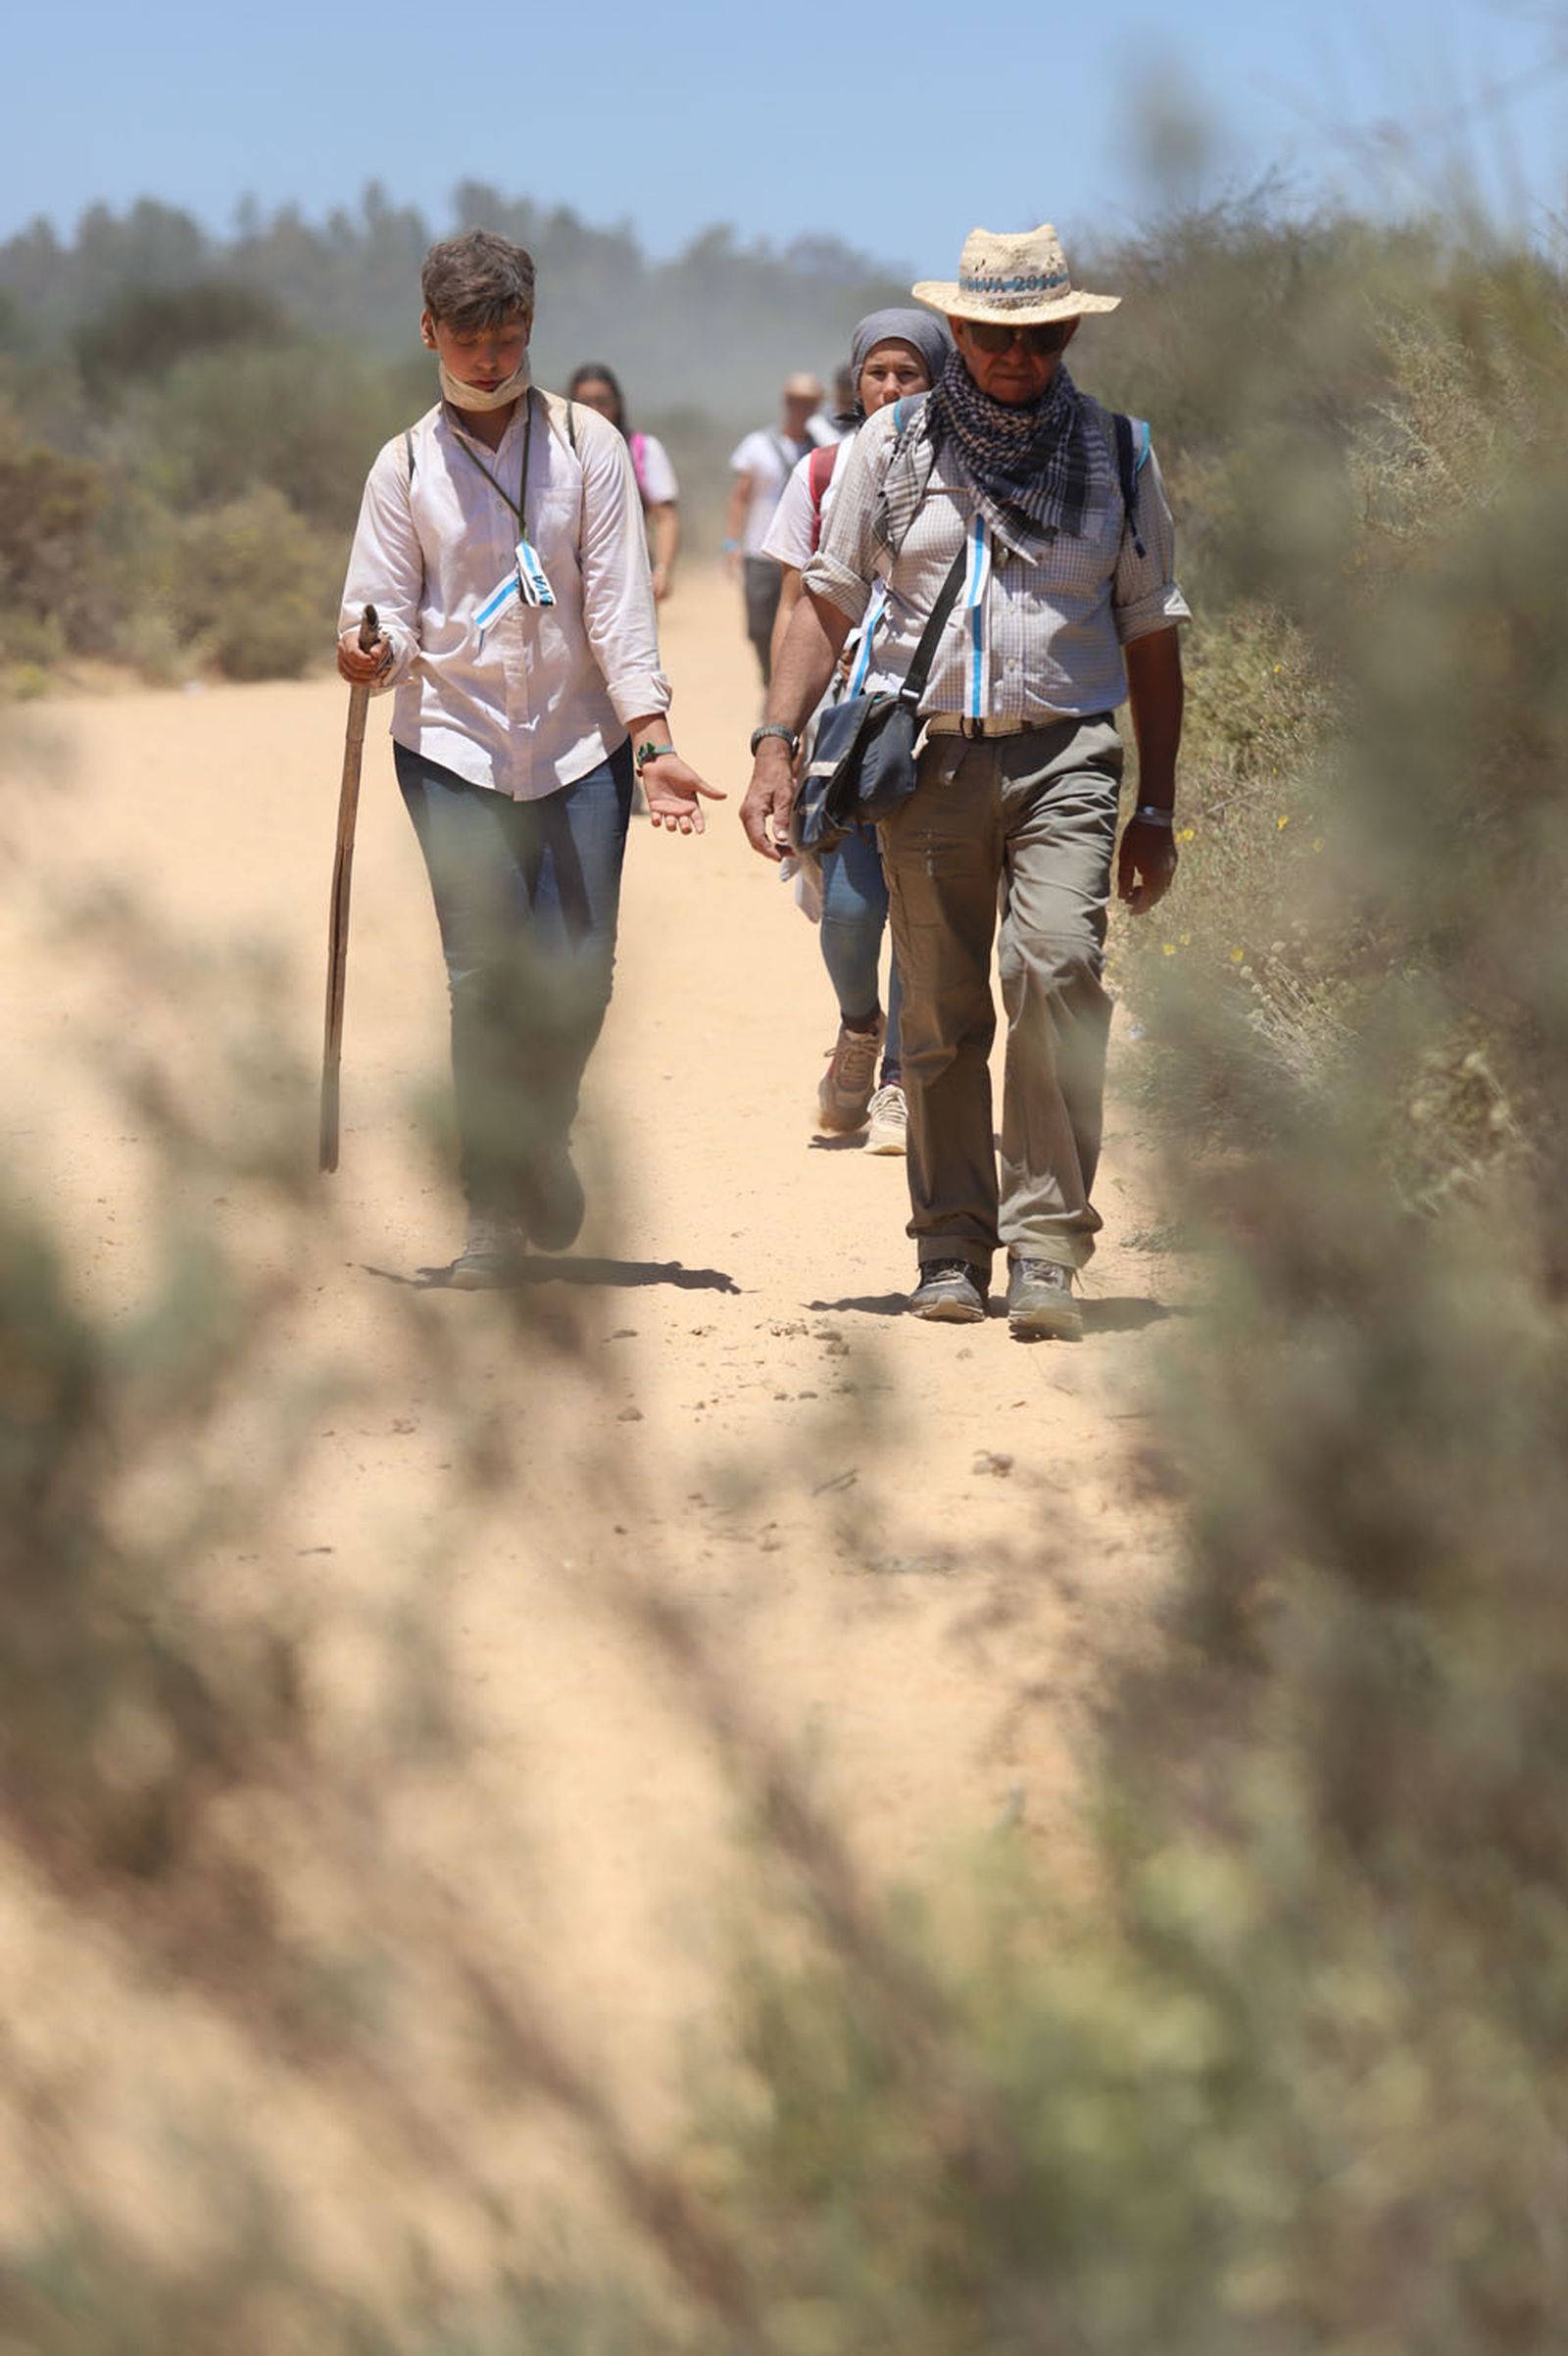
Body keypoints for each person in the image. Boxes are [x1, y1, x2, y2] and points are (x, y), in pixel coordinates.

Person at [740, 223, 1188, 1339]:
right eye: (992, 336)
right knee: (936, 1011)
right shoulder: (890, 448)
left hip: (1067, 756)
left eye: (1036, 338)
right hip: (926, 757)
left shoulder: (1119, 453)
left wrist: (1157, 808)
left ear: (1067, 331)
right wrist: (773, 741)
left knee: (1055, 974)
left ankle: (1045, 1245)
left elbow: (1149, 633)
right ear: (957, 332)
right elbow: (825, 596)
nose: (1014, 358)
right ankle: (949, 1245)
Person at [337, 230, 720, 1288]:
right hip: (450, 744)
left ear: (531, 328)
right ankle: (491, 1210)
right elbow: (383, 608)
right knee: (484, 978)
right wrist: (367, 650)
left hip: (579, 743)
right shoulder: (403, 465)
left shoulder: (588, 447)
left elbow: (614, 601)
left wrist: (652, 738)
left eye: (507, 335)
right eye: (468, 338)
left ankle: (544, 1131)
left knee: (579, 976)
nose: (491, 358)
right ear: (429, 334)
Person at [760, 309, 952, 1155]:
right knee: (850, 903)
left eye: (909, 374)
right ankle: (858, 1027)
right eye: (878, 373)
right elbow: (805, 605)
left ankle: (898, 1083)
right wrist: (781, 728)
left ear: (939, 381)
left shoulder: (964, 468)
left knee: (922, 901)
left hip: (942, 716)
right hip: (848, 723)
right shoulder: (822, 474)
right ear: (854, 382)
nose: (891, 388)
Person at [725, 373, 828, 688]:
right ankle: (771, 682)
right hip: (760, 552)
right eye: (796, 401)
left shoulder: (824, 450)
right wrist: (732, 543)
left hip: (804, 557)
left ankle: (788, 690)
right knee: (759, 628)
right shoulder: (757, 445)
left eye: (809, 403)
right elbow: (740, 497)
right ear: (785, 402)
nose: (802, 409)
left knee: (800, 626)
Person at [566, 363, 680, 603]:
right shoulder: (554, 452)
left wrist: (663, 570)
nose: (594, 409)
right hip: (568, 580)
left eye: (602, 401)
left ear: (617, 403)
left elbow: (666, 516)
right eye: (585, 402)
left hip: (629, 578)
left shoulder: (643, 450)